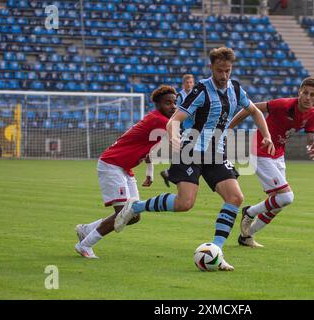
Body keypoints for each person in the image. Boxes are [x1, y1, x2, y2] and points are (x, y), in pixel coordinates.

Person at [114, 47, 275, 270]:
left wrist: (266, 135)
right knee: (184, 204)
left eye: (228, 71)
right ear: (211, 68)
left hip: (216, 152)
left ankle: (216, 250)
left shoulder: (236, 89)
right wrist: (173, 137)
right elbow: (174, 120)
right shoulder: (200, 90)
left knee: (235, 198)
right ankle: (136, 206)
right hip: (191, 149)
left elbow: (255, 111)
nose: (224, 76)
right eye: (220, 71)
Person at [74, 85, 177, 258]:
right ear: (158, 105)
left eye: (174, 103)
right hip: (112, 164)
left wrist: (150, 174)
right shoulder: (158, 120)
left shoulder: (160, 121)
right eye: (168, 103)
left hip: (124, 168)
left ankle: (86, 229)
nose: (173, 106)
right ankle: (85, 245)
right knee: (123, 213)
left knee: (134, 215)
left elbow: (150, 150)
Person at [229, 77, 314, 247]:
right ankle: (249, 212)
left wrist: (312, 146)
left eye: (312, 95)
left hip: (278, 154)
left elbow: (310, 138)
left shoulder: (313, 114)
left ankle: (246, 237)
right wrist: (229, 127)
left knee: (277, 205)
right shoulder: (283, 104)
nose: (308, 97)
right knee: (286, 197)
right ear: (299, 92)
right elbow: (251, 108)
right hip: (259, 150)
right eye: (305, 93)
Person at [161, 74, 195, 187]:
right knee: (184, 150)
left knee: (186, 151)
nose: (189, 84)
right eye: (187, 82)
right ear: (183, 83)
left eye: (191, 82)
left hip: (194, 127)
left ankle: (171, 172)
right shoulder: (180, 96)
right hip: (183, 128)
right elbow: (176, 112)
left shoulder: (195, 94)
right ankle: (173, 172)